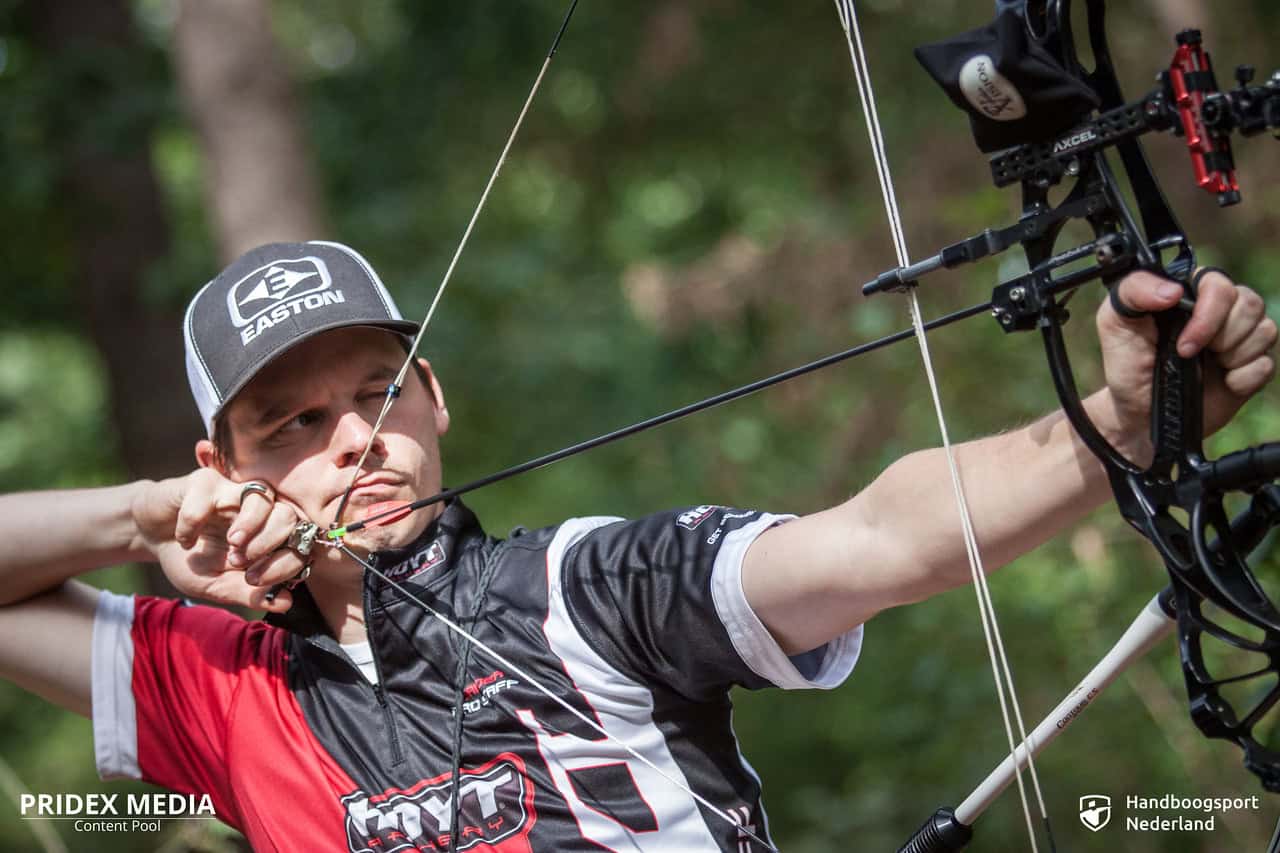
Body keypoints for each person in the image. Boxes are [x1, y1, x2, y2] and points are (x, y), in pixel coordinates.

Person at [0, 240, 1273, 852]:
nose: (354, 442)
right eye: (292, 424)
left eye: (378, 395)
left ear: (433, 399)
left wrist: (1114, 421)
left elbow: (885, 538)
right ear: (228, 468)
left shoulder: (581, 589)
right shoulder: (216, 687)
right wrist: (140, 517)